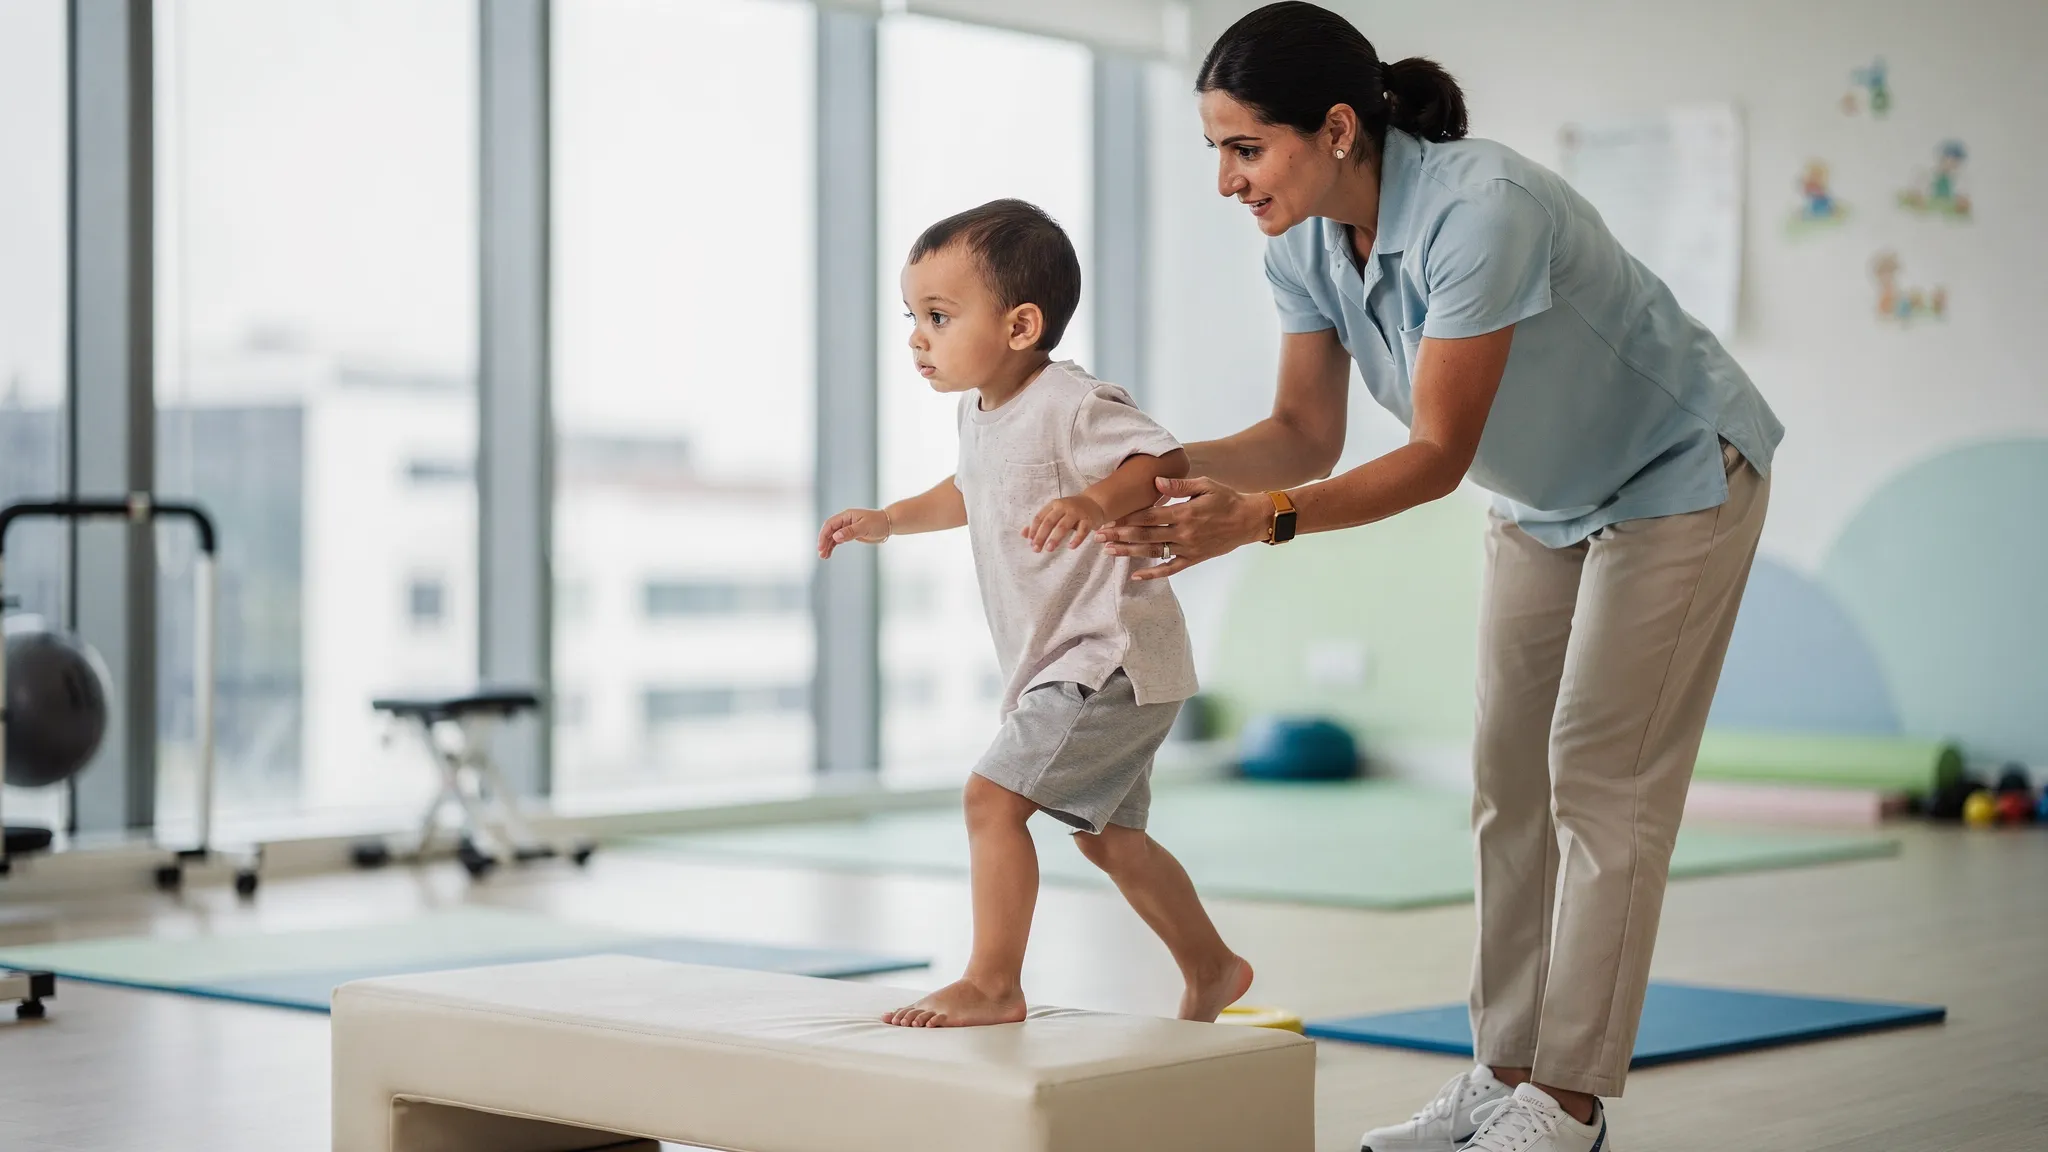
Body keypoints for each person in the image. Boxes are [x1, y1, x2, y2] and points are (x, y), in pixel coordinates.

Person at [1095, 4, 1783, 1150]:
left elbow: (1430, 456)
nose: (1225, 178)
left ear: (1334, 130)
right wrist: (1158, 467)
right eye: (1213, 148)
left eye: (1244, 147)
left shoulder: (1482, 210)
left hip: (1676, 473)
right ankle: (1500, 1070)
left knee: (1594, 779)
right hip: (1540, 501)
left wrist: (1257, 523)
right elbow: (1300, 437)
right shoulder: (1302, 244)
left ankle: (1565, 1104)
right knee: (1505, 778)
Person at [819, 198, 1253, 1029]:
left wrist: (1095, 501)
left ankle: (992, 983)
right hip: (1072, 661)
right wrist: (887, 520)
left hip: (1109, 657)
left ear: (1021, 325)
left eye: (939, 317)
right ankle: (1213, 966)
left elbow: (1157, 456)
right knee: (1110, 839)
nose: (917, 336)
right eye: (912, 316)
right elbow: (967, 491)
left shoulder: (1070, 401)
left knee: (992, 799)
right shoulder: (978, 413)